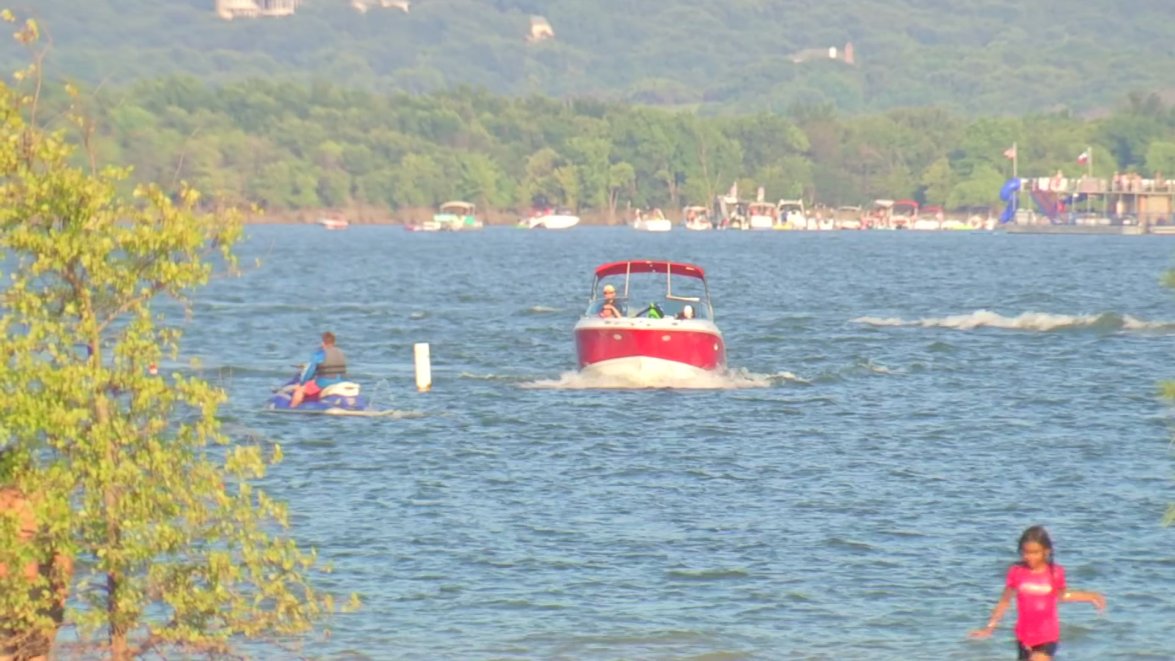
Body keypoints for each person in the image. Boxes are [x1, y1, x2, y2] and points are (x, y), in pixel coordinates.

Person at [969, 525, 1105, 660]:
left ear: (1046, 551)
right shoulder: (1016, 572)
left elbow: (1061, 596)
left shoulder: (1055, 573)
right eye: (1025, 552)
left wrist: (1090, 596)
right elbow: (1005, 601)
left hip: (1047, 635)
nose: (1029, 557)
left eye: (1035, 552)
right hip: (1024, 636)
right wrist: (989, 627)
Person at [1, 452, 72, 661]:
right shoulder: (47, 503)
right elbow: (63, 556)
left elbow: (62, 556)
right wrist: (61, 595)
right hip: (38, 594)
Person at [289, 331, 347, 408]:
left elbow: (310, 371)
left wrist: (302, 383)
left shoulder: (320, 354)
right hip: (339, 382)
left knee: (300, 389)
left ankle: (292, 408)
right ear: (334, 342)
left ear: (323, 342)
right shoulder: (341, 353)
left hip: (323, 383)